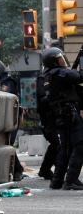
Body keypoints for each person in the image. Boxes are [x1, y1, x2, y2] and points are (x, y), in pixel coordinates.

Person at [41, 47, 83, 190]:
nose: (63, 61)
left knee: (65, 148)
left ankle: (57, 181)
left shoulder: (49, 76)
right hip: (69, 115)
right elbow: (78, 77)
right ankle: (70, 180)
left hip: (62, 116)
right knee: (80, 145)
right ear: (53, 61)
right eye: (60, 58)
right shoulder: (59, 73)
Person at [0, 59, 25, 181]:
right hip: (1, 118)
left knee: (8, 142)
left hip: (10, 118)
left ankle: (17, 170)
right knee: (4, 143)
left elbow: (4, 95)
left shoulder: (7, 82)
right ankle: (13, 170)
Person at [36, 72, 60, 180]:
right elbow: (43, 98)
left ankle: (45, 170)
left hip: (55, 119)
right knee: (57, 145)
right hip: (48, 120)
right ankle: (50, 170)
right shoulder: (43, 78)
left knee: (56, 145)